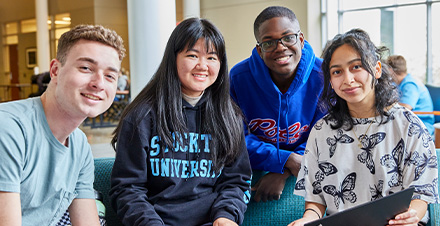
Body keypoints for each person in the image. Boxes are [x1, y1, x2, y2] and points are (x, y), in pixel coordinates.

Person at [109, 18, 252, 226]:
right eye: (192, 55)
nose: (202, 66)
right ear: (173, 59)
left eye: (212, 57)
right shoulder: (141, 116)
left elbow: (237, 182)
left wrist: (226, 217)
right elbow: (127, 188)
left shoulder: (229, 116)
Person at [289, 28, 438, 226]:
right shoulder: (321, 131)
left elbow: (421, 194)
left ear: (376, 69)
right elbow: (315, 203)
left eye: (356, 67)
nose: (348, 79)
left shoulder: (408, 126)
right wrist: (306, 220)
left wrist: (411, 216)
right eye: (337, 72)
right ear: (330, 81)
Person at [0, 24, 125, 225]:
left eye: (110, 76)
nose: (99, 83)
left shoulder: (79, 144)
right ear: (55, 70)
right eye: (86, 68)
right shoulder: (9, 128)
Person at [229, 6, 326, 202]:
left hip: (306, 169)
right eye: (269, 42)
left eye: (288, 37)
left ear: (300, 39)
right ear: (259, 48)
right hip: (252, 173)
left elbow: (325, 136)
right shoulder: (238, 78)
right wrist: (284, 159)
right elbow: (234, 139)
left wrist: (284, 170)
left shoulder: (324, 75)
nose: (280, 47)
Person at [387, 55, 435, 136]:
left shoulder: (410, 84)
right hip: (409, 122)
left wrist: (384, 107)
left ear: (390, 70)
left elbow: (405, 108)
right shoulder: (398, 83)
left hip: (422, 124)